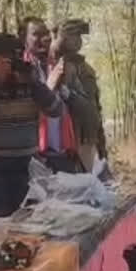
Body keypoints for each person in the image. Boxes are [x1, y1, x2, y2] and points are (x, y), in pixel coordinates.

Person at [0, 33, 62, 218]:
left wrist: (35, 85)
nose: (13, 64)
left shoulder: (31, 81)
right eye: (6, 60)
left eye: (16, 57)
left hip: (26, 166)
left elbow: (56, 110)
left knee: (26, 226)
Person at [49, 19, 106, 171]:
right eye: (70, 36)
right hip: (53, 142)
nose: (75, 40)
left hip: (82, 138)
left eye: (77, 36)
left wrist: (101, 144)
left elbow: (93, 109)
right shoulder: (46, 63)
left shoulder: (84, 69)